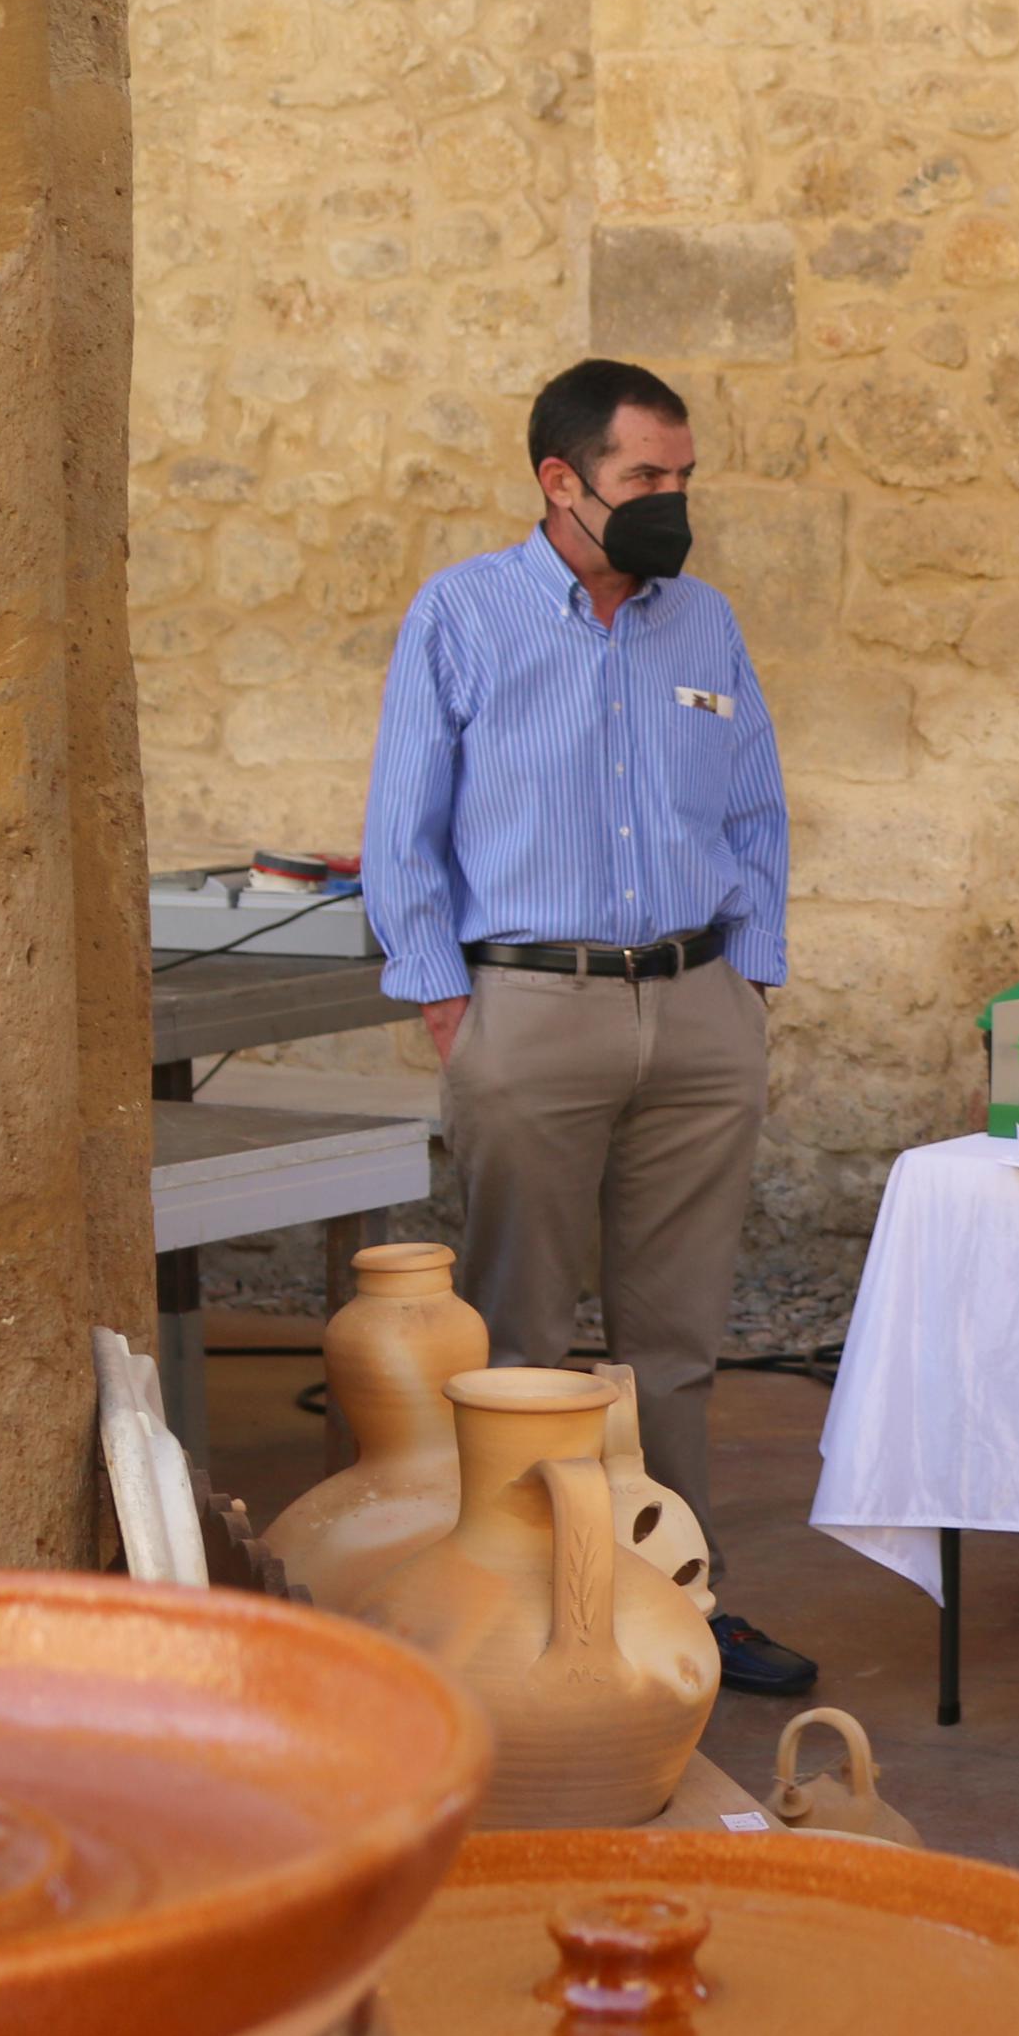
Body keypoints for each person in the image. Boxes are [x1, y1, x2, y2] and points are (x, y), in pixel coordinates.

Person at [362, 358, 816, 1697]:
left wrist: (750, 984)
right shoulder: (461, 615)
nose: (670, 501)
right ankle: (519, 1618)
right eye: (643, 479)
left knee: (672, 1344)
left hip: (697, 1009)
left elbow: (753, 813)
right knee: (516, 1337)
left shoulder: (704, 622)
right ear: (562, 483)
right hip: (528, 1006)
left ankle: (683, 1596)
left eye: (681, 477)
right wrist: (452, 1003)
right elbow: (404, 830)